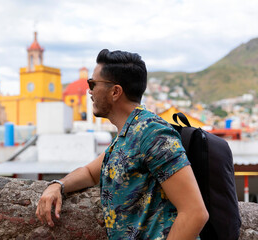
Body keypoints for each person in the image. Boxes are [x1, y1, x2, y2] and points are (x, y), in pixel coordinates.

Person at [36, 49, 208, 239]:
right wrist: (57, 185)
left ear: (115, 91)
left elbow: (194, 212)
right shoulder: (127, 134)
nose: (90, 91)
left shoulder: (152, 133)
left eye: (93, 84)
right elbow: (90, 173)